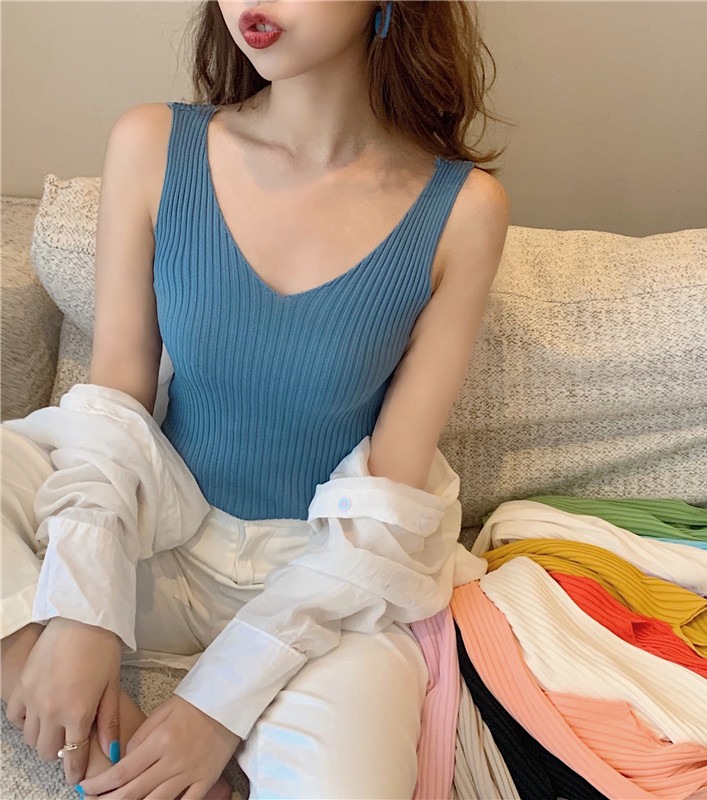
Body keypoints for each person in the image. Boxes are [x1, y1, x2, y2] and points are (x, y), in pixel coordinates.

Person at [1, 1, 510, 798]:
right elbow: (116, 396)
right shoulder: (152, 144)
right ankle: (87, 723)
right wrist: (80, 610)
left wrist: (216, 706)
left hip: (324, 582)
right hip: (161, 529)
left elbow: (391, 490)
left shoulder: (464, 212)